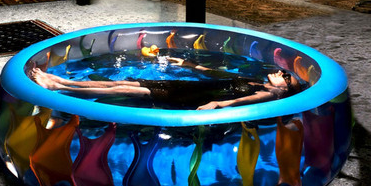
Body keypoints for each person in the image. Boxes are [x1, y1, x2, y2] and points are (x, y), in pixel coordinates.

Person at [29, 56, 301, 110]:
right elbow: (213, 73)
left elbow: (238, 101)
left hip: (191, 98)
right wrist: (187, 64)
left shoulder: (269, 95)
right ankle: (59, 80)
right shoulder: (254, 80)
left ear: (284, 88)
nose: (280, 73)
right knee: (126, 82)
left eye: (285, 77)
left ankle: (58, 86)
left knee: (125, 89)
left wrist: (216, 105)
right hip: (188, 87)